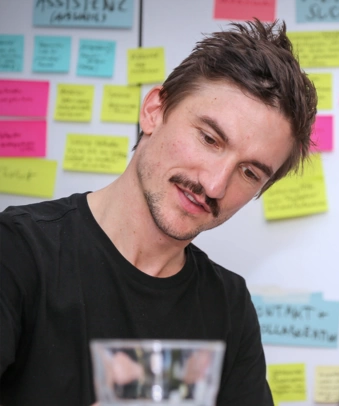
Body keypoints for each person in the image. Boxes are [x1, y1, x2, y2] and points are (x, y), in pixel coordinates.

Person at [0, 19, 317, 406]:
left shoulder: (228, 305)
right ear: (154, 111)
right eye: (209, 138)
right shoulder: (16, 253)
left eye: (249, 172)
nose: (215, 185)